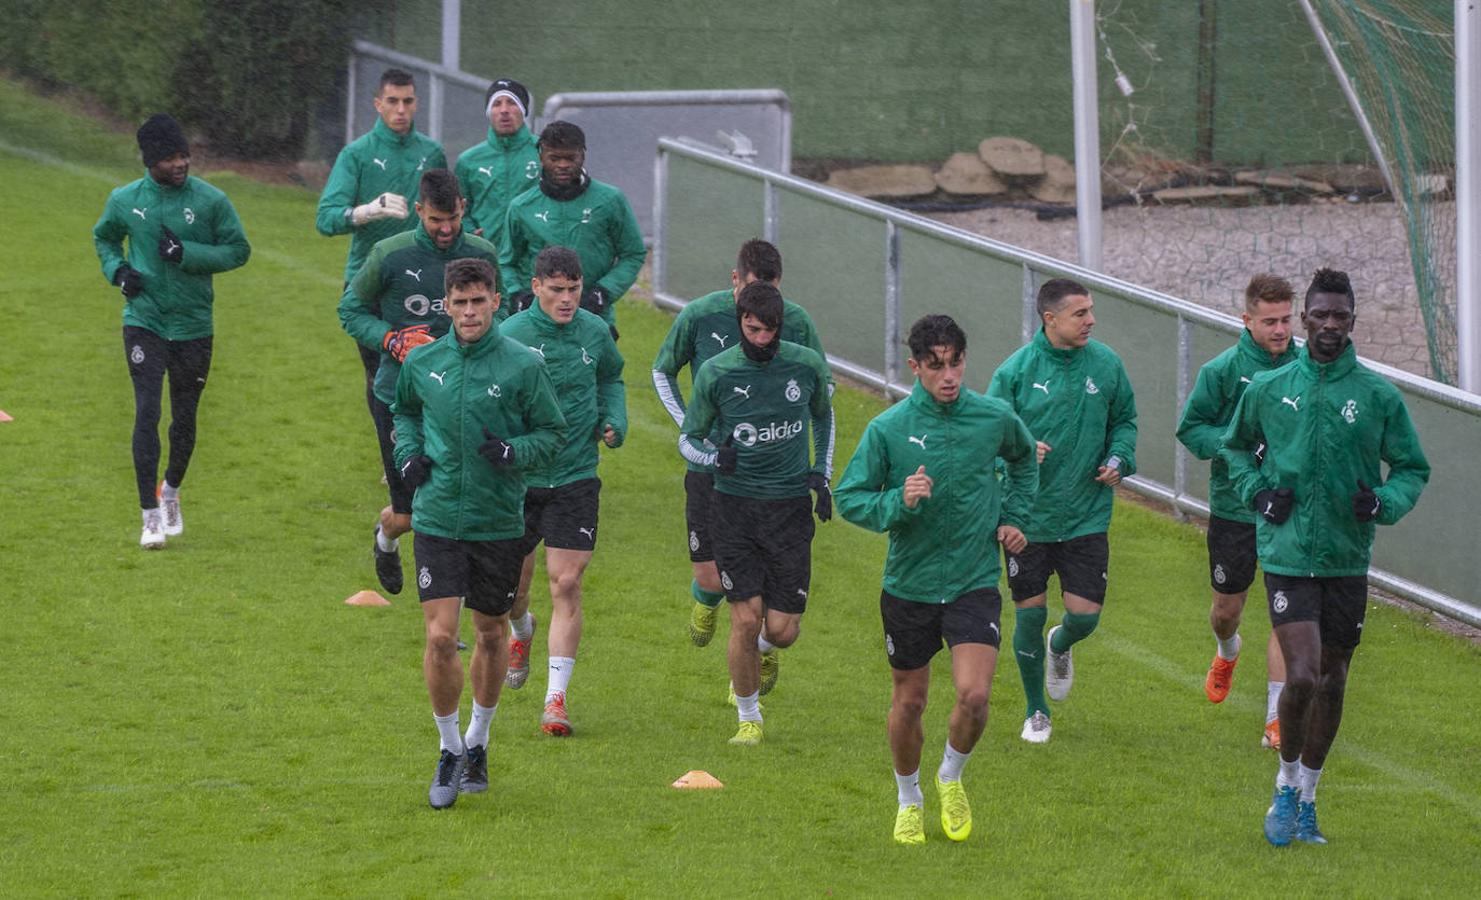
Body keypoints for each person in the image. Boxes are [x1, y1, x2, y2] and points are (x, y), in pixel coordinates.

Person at [1221, 268, 1428, 847]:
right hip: (1287, 552)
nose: (1329, 325)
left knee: (1334, 680)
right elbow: (1234, 448)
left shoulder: (1378, 396)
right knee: (1305, 673)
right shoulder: (1268, 389)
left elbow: (1412, 468)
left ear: (1352, 322)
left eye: (1341, 316)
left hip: (1345, 558)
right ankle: (1285, 782)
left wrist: (1382, 502)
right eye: (1320, 315)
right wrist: (1257, 493)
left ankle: (1309, 796)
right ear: (1304, 319)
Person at [836, 315, 1037, 845]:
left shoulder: (994, 417)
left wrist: (1014, 517)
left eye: (956, 363)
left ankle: (950, 776)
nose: (948, 375)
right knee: (910, 702)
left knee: (974, 696)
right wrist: (897, 502)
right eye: (935, 366)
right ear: (915, 367)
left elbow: (1023, 462)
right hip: (910, 585)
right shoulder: (888, 428)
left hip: (973, 581)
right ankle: (908, 798)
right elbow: (849, 497)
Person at [392, 257, 567, 809]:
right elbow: (404, 414)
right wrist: (408, 454)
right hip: (439, 518)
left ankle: (478, 741)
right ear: (446, 305)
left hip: (497, 521)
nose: (469, 312)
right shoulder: (424, 362)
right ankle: (448, 751)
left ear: (496, 300)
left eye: (479, 301)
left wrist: (516, 451)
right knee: (441, 637)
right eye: (460, 303)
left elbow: (553, 432)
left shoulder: (522, 365)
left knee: (491, 633)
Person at [652, 239, 831, 649]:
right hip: (711, 465)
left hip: (775, 481)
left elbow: (825, 389)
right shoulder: (700, 315)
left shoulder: (796, 322)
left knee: (759, 606)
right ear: (734, 280)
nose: (762, 308)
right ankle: (705, 600)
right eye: (749, 291)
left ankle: (757, 659)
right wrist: (693, 426)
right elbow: (662, 371)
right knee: (711, 579)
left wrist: (781, 414)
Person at [678, 282, 835, 746]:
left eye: (770, 330)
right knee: (745, 619)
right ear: (740, 321)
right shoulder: (716, 371)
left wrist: (820, 475)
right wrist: (713, 459)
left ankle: (766, 650)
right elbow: (689, 437)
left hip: (788, 509)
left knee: (782, 630)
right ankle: (749, 717)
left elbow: (824, 416)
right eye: (752, 329)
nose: (762, 339)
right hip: (734, 508)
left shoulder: (805, 365)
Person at [987, 277, 1137, 744]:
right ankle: (1036, 711)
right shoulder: (1014, 373)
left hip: (1086, 514)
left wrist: (1119, 459)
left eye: (1091, 311)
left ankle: (1062, 643)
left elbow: (1125, 421)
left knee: (1085, 617)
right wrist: (1019, 451)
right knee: (1029, 614)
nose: (1091, 320)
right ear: (1050, 319)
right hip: (1026, 518)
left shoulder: (1107, 364)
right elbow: (984, 441)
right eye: (1080, 313)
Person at [339, 169, 501, 595]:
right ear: (418, 212)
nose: (446, 229)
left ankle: (449, 616)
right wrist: (391, 340)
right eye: (435, 220)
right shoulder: (389, 255)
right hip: (400, 399)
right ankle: (386, 537)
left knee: (459, 506)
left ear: (463, 208)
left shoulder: (483, 254)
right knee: (410, 514)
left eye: (452, 218)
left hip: (464, 397)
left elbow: (495, 317)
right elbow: (350, 311)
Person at [92, 113, 251, 548]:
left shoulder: (211, 201)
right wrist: (120, 272)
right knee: (147, 413)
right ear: (150, 161)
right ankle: (148, 515)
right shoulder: (125, 200)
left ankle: (172, 492)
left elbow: (239, 250)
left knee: (184, 417)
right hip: (144, 322)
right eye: (169, 158)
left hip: (194, 325)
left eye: (183, 154)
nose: (179, 163)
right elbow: (104, 238)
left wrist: (187, 253)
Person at [499, 247, 627, 736]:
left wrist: (614, 420)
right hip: (521, 480)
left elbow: (611, 376)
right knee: (510, 594)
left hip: (575, 476)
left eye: (574, 289)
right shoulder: (509, 336)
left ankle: (555, 700)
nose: (567, 299)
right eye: (556, 290)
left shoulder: (594, 331)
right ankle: (521, 629)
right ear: (535, 288)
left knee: (567, 583)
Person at [1176, 274, 1298, 748]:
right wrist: (1232, 450)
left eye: (1287, 319)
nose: (1280, 330)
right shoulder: (1222, 371)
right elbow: (1192, 428)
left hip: (1289, 511)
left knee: (1286, 612)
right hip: (1235, 509)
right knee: (1228, 610)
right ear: (1246, 321)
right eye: (1270, 321)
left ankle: (1276, 718)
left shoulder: (1307, 366)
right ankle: (1227, 649)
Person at [316, 68, 447, 433]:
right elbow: (326, 219)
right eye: (392, 101)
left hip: (422, 279)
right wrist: (367, 210)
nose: (400, 109)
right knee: (380, 375)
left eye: (407, 101)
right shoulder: (357, 154)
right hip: (370, 279)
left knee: (428, 369)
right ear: (378, 104)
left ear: (416, 103)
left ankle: (423, 449)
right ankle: (392, 455)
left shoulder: (432, 152)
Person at [499, 120, 645, 338]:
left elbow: (633, 254)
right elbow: (505, 262)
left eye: (570, 158)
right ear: (541, 157)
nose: (563, 165)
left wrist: (602, 292)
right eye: (554, 158)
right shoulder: (521, 207)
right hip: (536, 321)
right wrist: (518, 295)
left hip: (595, 319)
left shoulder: (611, 200)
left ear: (582, 155)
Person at [454, 78, 540, 248]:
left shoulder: (544, 152)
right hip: (486, 257)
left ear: (524, 110)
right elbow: (458, 209)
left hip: (534, 258)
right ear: (488, 112)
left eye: (512, 103)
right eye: (497, 104)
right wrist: (470, 232)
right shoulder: (468, 160)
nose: (504, 110)